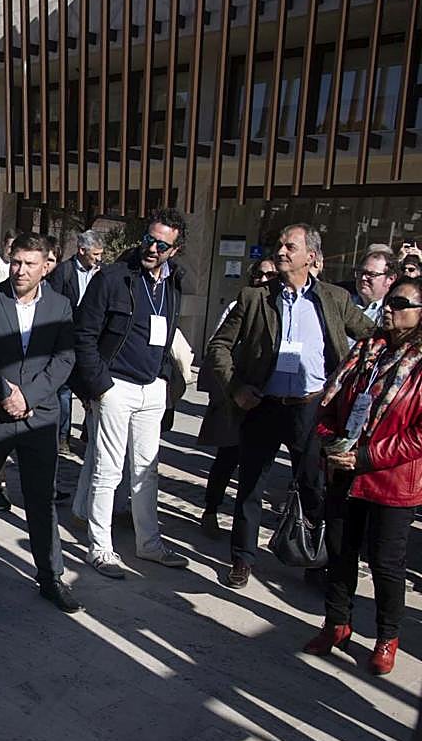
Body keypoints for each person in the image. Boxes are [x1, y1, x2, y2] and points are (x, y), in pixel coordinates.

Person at [206, 223, 376, 589]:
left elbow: (371, 337)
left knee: (314, 486)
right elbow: (218, 347)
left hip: (311, 408)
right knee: (250, 484)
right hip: (262, 405)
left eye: (290, 246)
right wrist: (236, 388)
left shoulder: (333, 299)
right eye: (280, 245)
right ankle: (242, 558)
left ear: (311, 257)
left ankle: (314, 558)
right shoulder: (255, 298)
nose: (281, 251)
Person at [0, 234, 81, 612]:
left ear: (47, 266)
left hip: (38, 419)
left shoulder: (59, 306)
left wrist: (30, 396)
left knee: (41, 500)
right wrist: (6, 395)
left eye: (30, 263)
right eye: (16, 262)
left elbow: (64, 359)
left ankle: (50, 576)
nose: (21, 270)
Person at [306, 277, 422, 675]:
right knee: (340, 554)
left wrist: (367, 457)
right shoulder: (365, 351)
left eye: (402, 302)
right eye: (390, 301)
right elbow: (330, 404)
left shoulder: (418, 363)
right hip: (344, 471)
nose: (391, 308)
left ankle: (387, 636)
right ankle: (336, 624)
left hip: (390, 479)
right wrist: (332, 443)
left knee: (387, 564)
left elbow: (418, 435)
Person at [72, 208, 192, 578]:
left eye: (161, 244)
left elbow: (167, 333)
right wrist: (101, 386)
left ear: (175, 248)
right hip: (116, 386)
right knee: (107, 471)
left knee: (147, 471)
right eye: (148, 239)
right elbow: (84, 334)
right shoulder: (113, 278)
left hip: (152, 388)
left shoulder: (173, 283)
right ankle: (100, 548)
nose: (152, 248)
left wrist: (163, 380)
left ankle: (149, 544)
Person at [197, 259, 277, 535]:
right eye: (259, 273)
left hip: (269, 396)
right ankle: (211, 508)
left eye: (270, 275)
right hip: (237, 393)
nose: (263, 279)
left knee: (256, 463)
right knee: (227, 456)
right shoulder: (239, 305)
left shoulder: (280, 308)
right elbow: (218, 348)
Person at [48, 229, 104, 456]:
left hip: (91, 341)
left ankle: (89, 433)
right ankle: (62, 437)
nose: (99, 258)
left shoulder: (102, 274)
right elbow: (54, 304)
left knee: (92, 387)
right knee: (64, 389)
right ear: (82, 251)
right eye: (95, 254)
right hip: (67, 338)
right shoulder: (65, 271)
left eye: (101, 254)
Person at [351, 248, 398, 325]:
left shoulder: (390, 313)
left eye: (371, 274)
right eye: (361, 272)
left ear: (390, 279)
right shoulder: (345, 302)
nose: (363, 278)